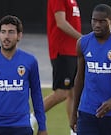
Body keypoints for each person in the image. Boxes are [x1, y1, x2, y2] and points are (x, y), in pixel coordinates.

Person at [0, 15, 48, 135]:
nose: (6, 37)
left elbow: (36, 94)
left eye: (11, 32)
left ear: (19, 36)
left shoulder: (29, 61)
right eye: (3, 32)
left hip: (21, 126)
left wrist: (42, 126)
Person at [70, 4, 111, 135]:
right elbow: (79, 78)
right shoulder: (83, 43)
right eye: (94, 20)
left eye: (102, 21)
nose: (97, 25)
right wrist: (74, 111)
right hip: (87, 112)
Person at [30, 0, 81, 135]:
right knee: (61, 93)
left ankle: (74, 130)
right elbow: (61, 22)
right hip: (62, 50)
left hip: (73, 50)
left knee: (73, 93)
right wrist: (82, 38)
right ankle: (29, 120)